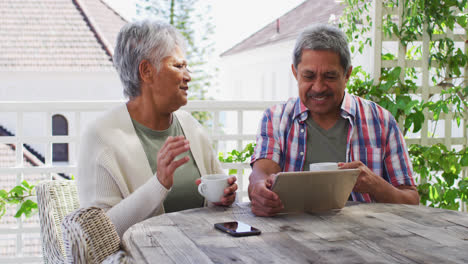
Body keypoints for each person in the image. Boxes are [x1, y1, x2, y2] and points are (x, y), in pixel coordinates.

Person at [77, 20, 237, 237]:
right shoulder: (100, 137)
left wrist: (224, 196)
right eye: (178, 66)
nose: (188, 76)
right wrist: (158, 184)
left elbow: (216, 198)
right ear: (146, 71)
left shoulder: (191, 127)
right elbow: (98, 235)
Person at [248, 24, 419, 217]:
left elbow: (411, 201)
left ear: (347, 75)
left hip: (367, 239)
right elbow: (260, 174)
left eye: (330, 76)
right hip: (292, 237)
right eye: (309, 76)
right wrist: (260, 190)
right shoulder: (276, 118)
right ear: (296, 73)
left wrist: (375, 184)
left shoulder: (381, 122)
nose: (319, 87)